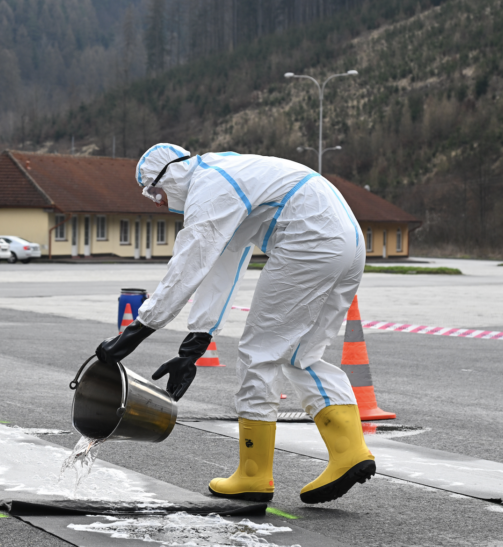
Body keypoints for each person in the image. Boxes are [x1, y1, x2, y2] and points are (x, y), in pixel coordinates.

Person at [96, 143, 374, 505]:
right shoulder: (228, 176)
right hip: (347, 242)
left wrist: (137, 331)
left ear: (171, 174)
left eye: (153, 189)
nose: (155, 200)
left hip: (309, 242)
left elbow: (188, 263)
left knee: (259, 353)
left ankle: (254, 476)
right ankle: (350, 452)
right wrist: (193, 346)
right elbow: (222, 265)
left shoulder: (208, 187)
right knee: (298, 355)